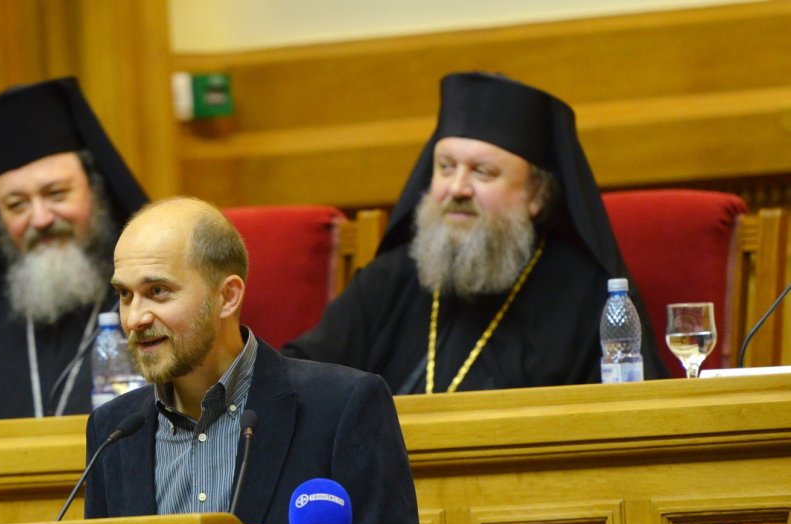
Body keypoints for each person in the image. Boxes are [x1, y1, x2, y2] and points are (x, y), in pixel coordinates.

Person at [83, 197, 423, 524]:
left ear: (228, 296)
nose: (135, 318)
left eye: (158, 292)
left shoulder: (342, 406)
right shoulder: (113, 431)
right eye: (125, 294)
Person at [284, 71, 667, 393]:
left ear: (536, 195)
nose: (457, 188)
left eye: (483, 172)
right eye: (446, 167)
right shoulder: (390, 279)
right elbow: (297, 379)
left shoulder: (584, 296)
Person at [0, 77, 148, 422]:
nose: (41, 219)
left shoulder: (149, 298)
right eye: (17, 205)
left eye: (57, 194)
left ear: (94, 188)